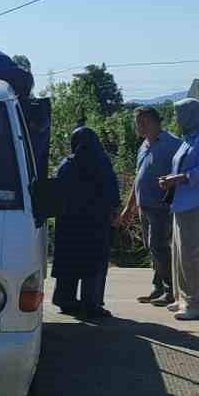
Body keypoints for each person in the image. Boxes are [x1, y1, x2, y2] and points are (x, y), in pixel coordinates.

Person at [159, 98, 199, 321]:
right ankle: (181, 298)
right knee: (178, 253)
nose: (176, 118)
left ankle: (194, 304)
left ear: (191, 114)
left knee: (190, 255)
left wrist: (175, 178)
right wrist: (171, 180)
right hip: (181, 204)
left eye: (179, 114)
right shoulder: (188, 139)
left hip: (196, 204)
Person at [116, 107, 183, 306]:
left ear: (156, 122)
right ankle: (158, 287)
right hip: (144, 206)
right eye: (138, 123)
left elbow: (183, 173)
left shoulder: (173, 144)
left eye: (144, 122)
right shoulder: (144, 146)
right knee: (152, 247)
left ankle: (171, 290)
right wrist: (129, 207)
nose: (140, 127)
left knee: (158, 246)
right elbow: (138, 179)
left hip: (162, 206)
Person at [51, 127, 121, 319]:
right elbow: (112, 191)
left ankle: (65, 300)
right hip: (96, 223)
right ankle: (92, 304)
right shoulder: (102, 163)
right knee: (94, 263)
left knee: (69, 261)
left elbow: (56, 192)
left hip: (69, 223)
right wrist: (114, 211)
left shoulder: (66, 165)